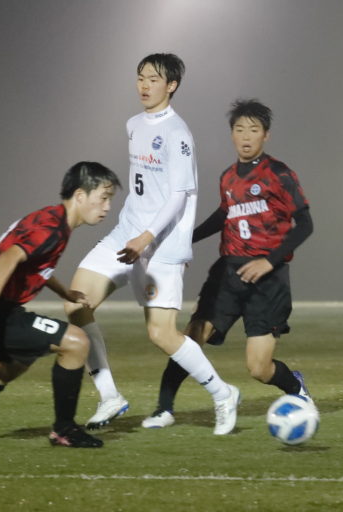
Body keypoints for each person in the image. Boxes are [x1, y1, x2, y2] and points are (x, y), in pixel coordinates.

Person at [64, 53, 240, 435]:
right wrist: (133, 230)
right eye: (140, 77)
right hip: (125, 234)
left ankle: (223, 393)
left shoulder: (178, 133)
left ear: (171, 85)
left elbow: (178, 195)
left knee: (161, 334)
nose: (144, 85)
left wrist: (147, 238)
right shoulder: (133, 124)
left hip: (161, 246)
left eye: (153, 79)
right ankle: (109, 396)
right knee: (76, 303)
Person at [142, 99, 314, 430]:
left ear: (266, 135)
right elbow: (224, 215)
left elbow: (305, 225)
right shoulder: (228, 177)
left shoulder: (279, 174)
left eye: (253, 130)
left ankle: (295, 386)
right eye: (239, 130)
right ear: (231, 134)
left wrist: (269, 261)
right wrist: (183, 241)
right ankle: (164, 408)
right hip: (227, 275)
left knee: (258, 368)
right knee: (191, 338)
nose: (246, 137)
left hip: (269, 280)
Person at [0, 161, 121, 448]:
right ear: (80, 195)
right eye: (104, 198)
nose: (107, 207)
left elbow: (36, 266)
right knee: (76, 342)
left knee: (15, 364)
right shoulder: (52, 228)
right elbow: (9, 257)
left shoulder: (53, 219)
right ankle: (65, 430)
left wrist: (66, 293)